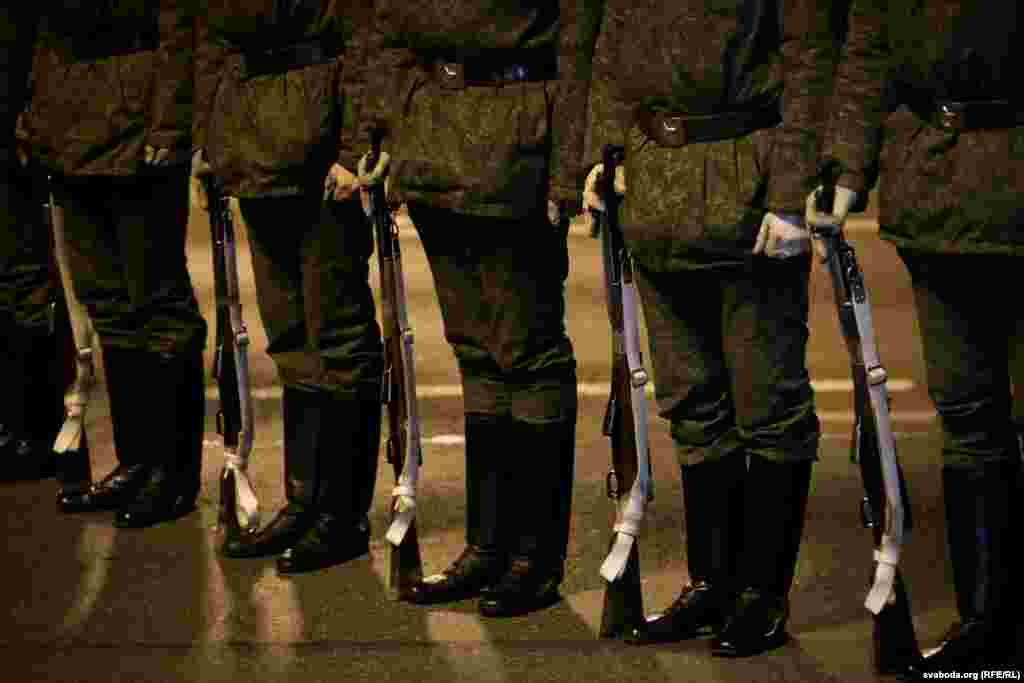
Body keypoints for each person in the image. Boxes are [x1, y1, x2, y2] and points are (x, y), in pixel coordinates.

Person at [583, 0, 839, 657]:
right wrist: (602, 152)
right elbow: (613, 45)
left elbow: (810, 62)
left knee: (768, 403)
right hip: (656, 195)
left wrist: (790, 194)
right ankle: (714, 581)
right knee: (693, 403)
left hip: (746, 191)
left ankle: (762, 593)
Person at [356, 1, 600, 616]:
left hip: (519, 144)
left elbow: (577, 46)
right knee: (475, 351)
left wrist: (568, 168)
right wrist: (386, 128)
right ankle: (487, 547)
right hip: (435, 143)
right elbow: (385, 31)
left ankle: (534, 558)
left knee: (529, 352)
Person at [809, 1, 1022, 672]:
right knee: (966, 414)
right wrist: (845, 167)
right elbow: (867, 48)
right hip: (937, 184)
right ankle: (988, 626)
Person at [191, 0, 384, 575]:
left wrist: (355, 147)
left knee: (340, 338)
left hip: (322, 148)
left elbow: (368, 35)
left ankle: (343, 516)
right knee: (291, 337)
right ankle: (307, 500)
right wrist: (209, 142)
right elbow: (211, 42)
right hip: (253, 144)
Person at [25, 1, 208, 527]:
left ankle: (173, 475)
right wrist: (36, 117)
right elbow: (43, 34)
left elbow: (180, 27)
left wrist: (171, 124)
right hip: (70, 125)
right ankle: (137, 461)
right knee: (108, 302)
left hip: (139, 126)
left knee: (157, 305)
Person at [0, 6, 70, 483]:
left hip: (16, 134)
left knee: (24, 280)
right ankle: (19, 425)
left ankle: (34, 427)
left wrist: (29, 110)